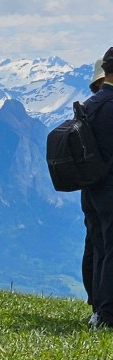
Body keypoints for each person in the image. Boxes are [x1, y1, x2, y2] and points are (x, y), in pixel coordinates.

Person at [80, 47, 113, 329]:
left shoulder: (92, 104)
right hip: (109, 188)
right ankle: (106, 314)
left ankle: (98, 310)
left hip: (92, 189)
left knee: (98, 247)